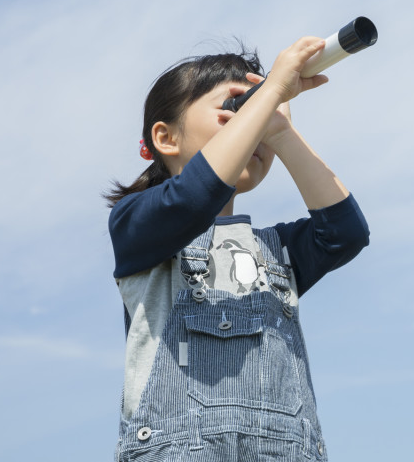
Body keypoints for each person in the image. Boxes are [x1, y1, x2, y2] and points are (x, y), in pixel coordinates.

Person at [106, 36, 370, 461]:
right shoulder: (138, 226)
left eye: (258, 112)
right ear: (166, 137)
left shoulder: (276, 249)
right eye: (236, 109)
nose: (254, 123)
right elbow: (194, 199)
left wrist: (281, 131)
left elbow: (345, 233)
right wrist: (270, 92)